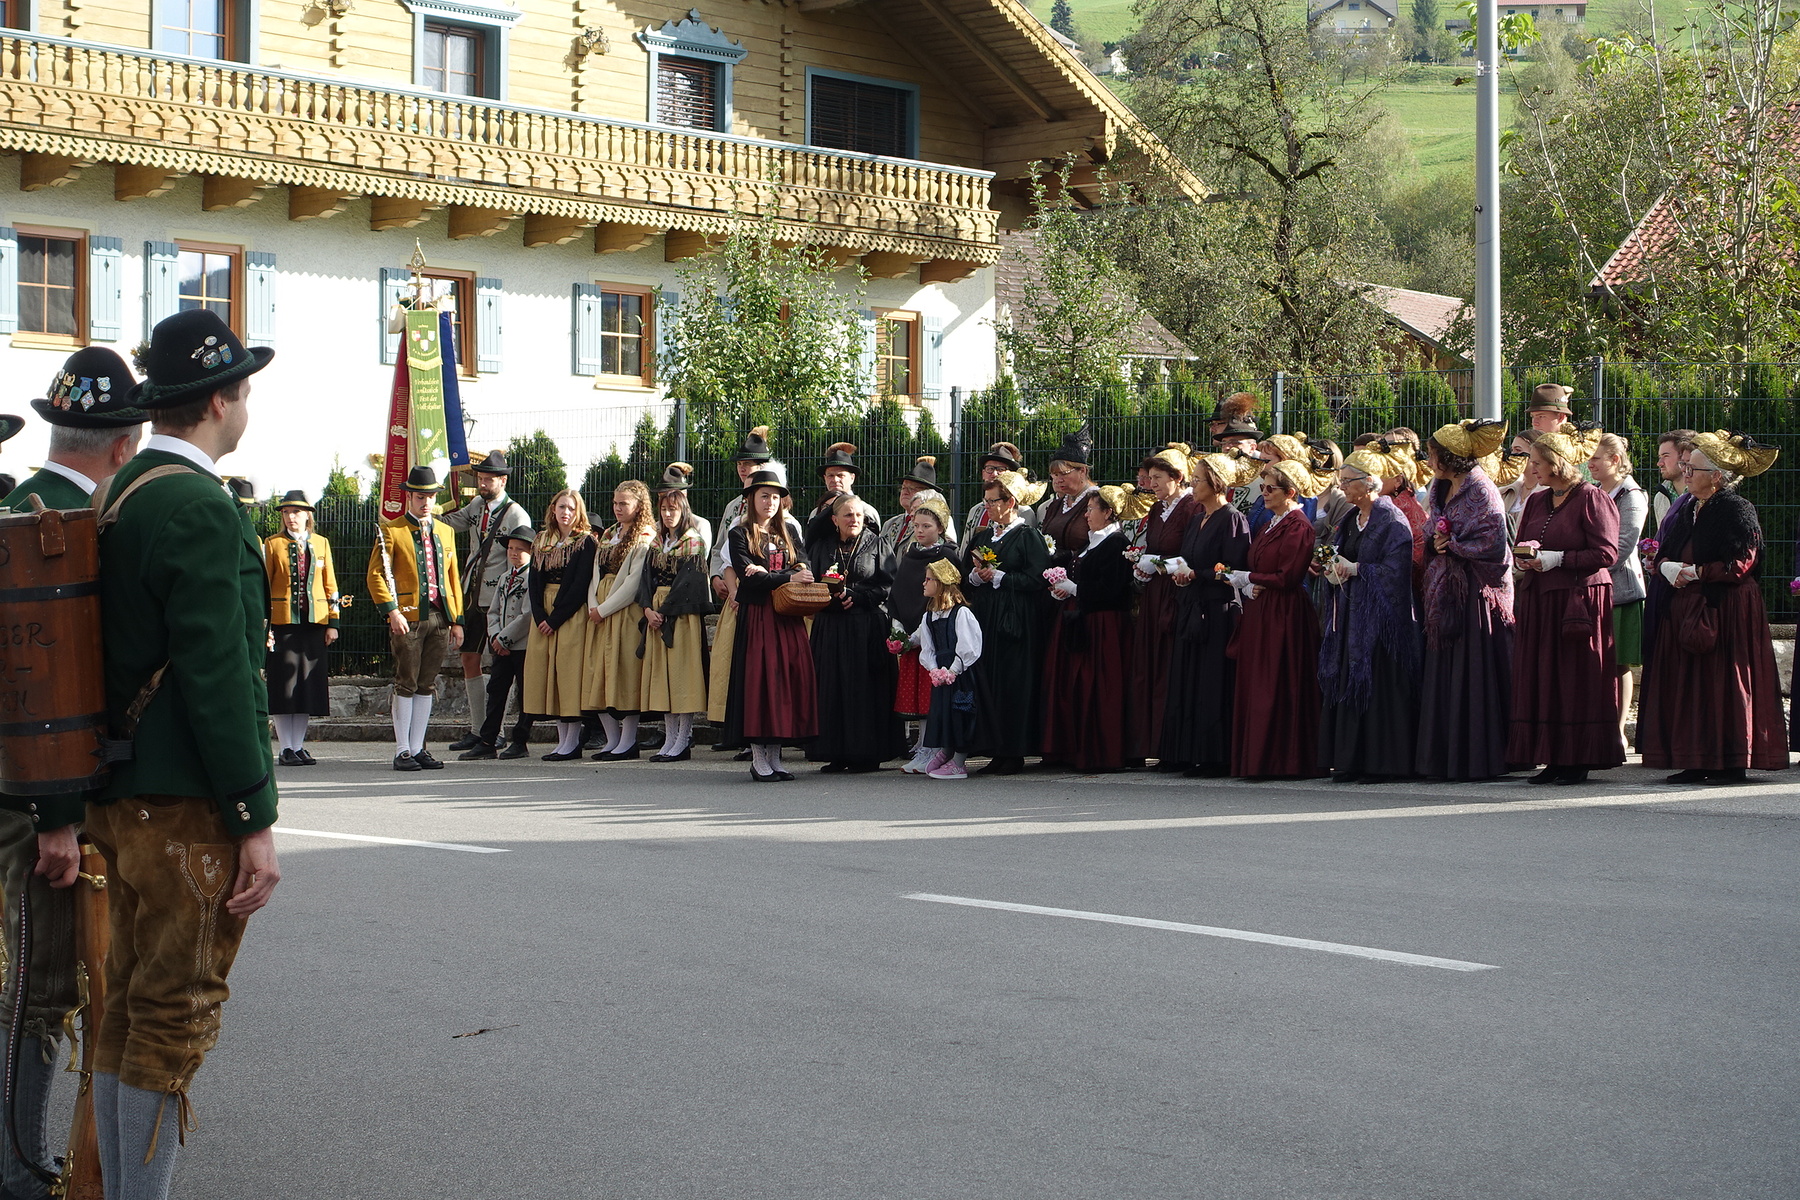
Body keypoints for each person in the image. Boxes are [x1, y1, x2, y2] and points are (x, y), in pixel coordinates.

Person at [84, 308, 280, 1200]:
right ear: (220, 400)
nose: (246, 408)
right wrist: (253, 813)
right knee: (172, 1021)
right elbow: (219, 672)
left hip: (122, 795)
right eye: (245, 391)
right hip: (186, 804)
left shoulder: (121, 491)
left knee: (128, 1010)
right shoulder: (200, 505)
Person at [0, 348, 146, 1200]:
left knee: (36, 977)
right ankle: (18, 1170)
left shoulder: (21, 505)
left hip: (18, 789)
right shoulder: (54, 525)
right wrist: (56, 813)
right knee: (42, 984)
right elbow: (40, 688)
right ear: (123, 445)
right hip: (33, 797)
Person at [1638, 432, 1789, 783]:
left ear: (1717, 476)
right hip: (1688, 606)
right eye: (1686, 467)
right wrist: (1665, 567)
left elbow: (1741, 563)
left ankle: (1730, 762)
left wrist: (1695, 572)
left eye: (1693, 469)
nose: (1686, 473)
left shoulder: (1737, 509)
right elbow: (1666, 549)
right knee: (1692, 683)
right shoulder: (1689, 507)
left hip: (1726, 609)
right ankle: (1696, 759)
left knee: (1724, 683)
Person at [1508, 423, 1622, 785]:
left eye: (1537, 462)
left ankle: (1579, 758)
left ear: (1557, 463)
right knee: (1546, 676)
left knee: (1575, 677)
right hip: (1542, 599)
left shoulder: (1592, 498)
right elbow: (1523, 542)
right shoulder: (1537, 500)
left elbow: (1606, 553)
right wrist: (1525, 559)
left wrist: (1559, 559)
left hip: (1579, 602)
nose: (1531, 469)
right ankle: (1554, 756)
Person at [1416, 420, 1516, 781]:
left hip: (1476, 592)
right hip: (1445, 589)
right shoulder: (1439, 487)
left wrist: (1453, 545)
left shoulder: (1482, 490)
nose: (1429, 461)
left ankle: (1479, 756)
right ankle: (1446, 756)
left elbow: (1494, 545)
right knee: (1445, 669)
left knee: (1473, 671)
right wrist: (1435, 542)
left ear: (1450, 457)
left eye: (1433, 454)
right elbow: (1430, 527)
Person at [1315, 450, 1423, 784]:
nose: (1342, 486)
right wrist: (1333, 568)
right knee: (1349, 678)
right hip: (1352, 614)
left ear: (1369, 482)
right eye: (1342, 480)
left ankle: (1382, 762)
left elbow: (1397, 572)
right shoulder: (1351, 519)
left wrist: (1358, 569)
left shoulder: (1391, 521)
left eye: (1348, 481)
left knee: (1378, 685)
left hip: (1381, 621)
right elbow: (1341, 553)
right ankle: (1350, 760)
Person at [721, 463, 818, 781]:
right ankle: (758, 757)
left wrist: (772, 574)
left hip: (787, 616)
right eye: (764, 496)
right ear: (751, 498)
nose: (770, 502)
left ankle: (775, 756)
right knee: (760, 683)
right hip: (759, 617)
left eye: (775, 497)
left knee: (785, 681)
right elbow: (748, 578)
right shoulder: (738, 533)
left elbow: (805, 566)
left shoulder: (789, 531)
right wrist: (788, 575)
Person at [1227, 460, 1323, 780]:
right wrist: (1248, 581)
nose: (1264, 493)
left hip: (1285, 614)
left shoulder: (1298, 526)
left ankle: (1283, 759)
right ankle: (1258, 758)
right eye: (1262, 488)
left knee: (1278, 682)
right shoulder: (1271, 522)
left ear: (1290, 493)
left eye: (1270, 489)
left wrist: (1248, 578)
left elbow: (1288, 576)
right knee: (1259, 682)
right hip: (1263, 610)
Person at [1161, 453, 1253, 777]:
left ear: (1216, 482)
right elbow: (1188, 558)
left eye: (1198, 479)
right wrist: (1179, 572)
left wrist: (1197, 574)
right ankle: (1186, 752)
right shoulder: (1196, 519)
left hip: (1217, 611)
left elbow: (1232, 568)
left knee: (1212, 683)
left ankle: (1214, 756)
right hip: (1191, 607)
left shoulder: (1232, 519)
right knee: (1188, 680)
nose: (1193, 485)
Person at [367, 465, 464, 771]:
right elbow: (375, 575)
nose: (426, 502)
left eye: (430, 496)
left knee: (427, 684)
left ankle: (419, 747)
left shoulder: (446, 531)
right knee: (406, 682)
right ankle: (402, 750)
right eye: (420, 496)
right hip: (407, 617)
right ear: (409, 497)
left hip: (440, 616)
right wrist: (392, 611)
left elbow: (453, 577)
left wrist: (457, 620)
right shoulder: (392, 530)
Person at [440, 450, 530, 754]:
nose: (482, 484)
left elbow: (519, 559)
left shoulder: (516, 514)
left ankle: (496, 731)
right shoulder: (477, 505)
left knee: (500, 665)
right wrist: (429, 515)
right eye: (480, 478)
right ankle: (478, 729)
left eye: (488, 479)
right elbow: (452, 523)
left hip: (499, 599)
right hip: (472, 593)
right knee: (469, 658)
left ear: (502, 481)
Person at [806, 494, 903, 772]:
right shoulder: (822, 546)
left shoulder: (877, 544)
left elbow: (888, 585)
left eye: (859, 515)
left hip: (866, 627)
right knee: (832, 688)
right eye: (848, 515)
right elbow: (812, 581)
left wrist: (858, 597)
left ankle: (867, 754)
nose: (854, 519)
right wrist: (830, 599)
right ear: (834, 519)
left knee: (865, 689)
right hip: (831, 626)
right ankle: (835, 752)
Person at [1041, 485, 1135, 773]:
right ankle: (1073, 749)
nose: (1086, 515)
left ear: (1108, 512)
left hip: (1103, 624)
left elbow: (1113, 589)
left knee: (1100, 687)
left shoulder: (1116, 543)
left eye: (1091, 509)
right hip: (1082, 619)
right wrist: (1065, 589)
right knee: (1077, 685)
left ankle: (1102, 752)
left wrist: (1076, 589)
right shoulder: (1091, 543)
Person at [964, 469, 1051, 775]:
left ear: (1010, 502)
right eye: (985, 501)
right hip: (987, 616)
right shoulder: (983, 536)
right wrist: (976, 577)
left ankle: (1014, 750)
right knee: (990, 679)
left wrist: (1002, 577)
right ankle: (993, 748)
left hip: (1016, 618)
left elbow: (1039, 578)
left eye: (992, 501)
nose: (987, 506)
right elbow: (965, 575)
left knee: (1013, 681)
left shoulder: (1028, 536)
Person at [1122, 443, 1195, 768]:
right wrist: (1142, 567)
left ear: (1177, 478)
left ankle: (1171, 746)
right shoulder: (1155, 510)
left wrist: (1157, 564)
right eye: (1149, 477)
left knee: (1168, 665)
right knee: (1148, 666)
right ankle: (1147, 743)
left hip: (1176, 593)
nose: (1151, 483)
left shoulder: (1191, 507)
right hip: (1154, 595)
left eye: (1158, 478)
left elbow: (1191, 554)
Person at [638, 468, 712, 762]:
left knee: (683, 677)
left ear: (683, 510)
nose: (668, 514)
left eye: (673, 509)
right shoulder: (656, 542)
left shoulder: (693, 541)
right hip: (657, 613)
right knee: (664, 679)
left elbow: (690, 584)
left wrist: (663, 611)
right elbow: (645, 579)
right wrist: (647, 608)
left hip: (681, 616)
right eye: (664, 509)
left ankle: (683, 740)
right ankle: (669, 738)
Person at [264, 490, 340, 766]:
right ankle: (285, 747)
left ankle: (298, 746)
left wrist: (333, 622)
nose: (290, 517)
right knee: (285, 687)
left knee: (308, 686)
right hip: (283, 623)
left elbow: (331, 585)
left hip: (314, 623)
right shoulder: (272, 544)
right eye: (286, 512)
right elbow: (263, 587)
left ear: (308, 515)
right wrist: (265, 625)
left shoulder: (321, 543)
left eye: (295, 512)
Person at [708, 426, 772, 748]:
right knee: (730, 663)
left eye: (751, 464)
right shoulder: (733, 506)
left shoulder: (775, 504)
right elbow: (720, 547)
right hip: (732, 594)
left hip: (759, 597)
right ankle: (732, 726)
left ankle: (756, 734)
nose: (744, 469)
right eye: (741, 464)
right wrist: (716, 578)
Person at [584, 481, 657, 761]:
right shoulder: (609, 534)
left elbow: (633, 582)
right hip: (600, 608)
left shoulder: (645, 535)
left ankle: (627, 742)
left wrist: (604, 609)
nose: (617, 508)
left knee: (624, 674)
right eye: (615, 503)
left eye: (624, 503)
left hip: (623, 611)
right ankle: (611, 740)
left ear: (639, 505)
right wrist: (593, 603)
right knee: (599, 674)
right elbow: (595, 572)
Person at [525, 489, 597, 761]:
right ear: (553, 509)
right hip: (544, 612)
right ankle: (561, 739)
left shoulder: (585, 542)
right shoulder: (542, 540)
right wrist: (539, 615)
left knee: (569, 675)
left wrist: (555, 619)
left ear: (579, 512)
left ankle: (572, 741)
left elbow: (580, 585)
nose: (566, 513)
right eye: (561, 507)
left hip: (569, 614)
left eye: (571, 508)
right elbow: (533, 580)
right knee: (550, 675)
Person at [891, 496, 960, 772]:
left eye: (926, 526)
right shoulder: (910, 556)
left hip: (937, 635)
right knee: (917, 697)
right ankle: (922, 747)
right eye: (916, 526)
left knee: (934, 694)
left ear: (940, 527)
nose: (920, 531)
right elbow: (899, 593)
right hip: (913, 639)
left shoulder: (948, 556)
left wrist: (923, 630)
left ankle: (936, 748)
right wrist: (899, 629)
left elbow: (949, 595)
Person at [1588, 433, 1647, 750]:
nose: (1590, 464)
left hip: (1621, 591)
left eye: (1596, 458)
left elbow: (1622, 547)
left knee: (1618, 663)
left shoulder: (1632, 496)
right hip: (1594, 588)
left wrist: (1586, 567)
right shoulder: (1595, 492)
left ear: (1614, 459)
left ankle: (1618, 730)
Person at [459, 528, 537, 760]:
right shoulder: (504, 577)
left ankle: (520, 740)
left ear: (531, 552)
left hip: (521, 645)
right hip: (501, 647)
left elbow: (527, 614)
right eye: (511, 548)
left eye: (520, 549)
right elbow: (492, 611)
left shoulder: (532, 577)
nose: (513, 553)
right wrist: (494, 636)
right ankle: (488, 740)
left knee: (525, 695)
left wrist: (505, 638)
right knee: (496, 691)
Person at [912, 558, 983, 780]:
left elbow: (969, 646)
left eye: (928, 579)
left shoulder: (961, 613)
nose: (924, 583)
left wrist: (952, 670)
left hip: (961, 674)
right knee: (943, 713)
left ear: (941, 583)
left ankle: (959, 761)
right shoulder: (929, 616)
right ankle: (946, 750)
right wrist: (934, 670)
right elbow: (928, 649)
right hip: (941, 675)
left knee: (961, 712)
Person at [1641, 430, 1698, 682]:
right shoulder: (1661, 495)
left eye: (1666, 456)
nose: (1659, 463)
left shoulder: (1703, 499)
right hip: (1664, 578)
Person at [961, 442, 1038, 551]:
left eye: (1001, 469)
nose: (994, 474)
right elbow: (965, 548)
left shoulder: (1023, 512)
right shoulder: (975, 510)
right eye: (990, 468)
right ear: (983, 473)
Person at [1037, 425, 1098, 562]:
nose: (1058, 480)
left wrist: (1070, 555)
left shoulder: (1098, 501)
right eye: (1054, 475)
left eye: (1063, 474)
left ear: (1082, 471)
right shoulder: (1055, 505)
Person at [878, 455, 956, 562]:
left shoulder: (941, 520)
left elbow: (947, 554)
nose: (905, 492)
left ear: (927, 492)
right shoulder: (890, 524)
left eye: (912, 488)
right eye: (903, 487)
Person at [808, 442, 879, 533]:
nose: (835, 480)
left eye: (840, 475)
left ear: (852, 478)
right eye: (830, 475)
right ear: (825, 478)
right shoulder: (816, 513)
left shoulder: (866, 511)